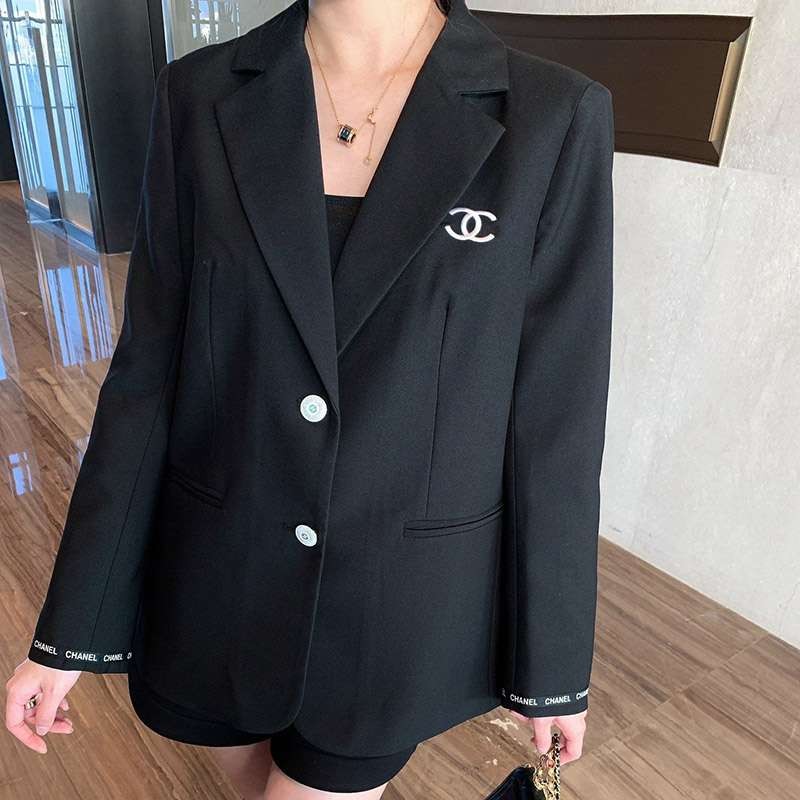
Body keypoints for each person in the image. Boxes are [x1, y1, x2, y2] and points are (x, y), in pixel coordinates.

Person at [4, 0, 615, 797]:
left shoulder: (553, 115)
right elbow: (147, 376)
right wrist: (68, 628)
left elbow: (557, 420)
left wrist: (554, 663)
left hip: (392, 606)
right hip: (218, 576)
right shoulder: (198, 94)